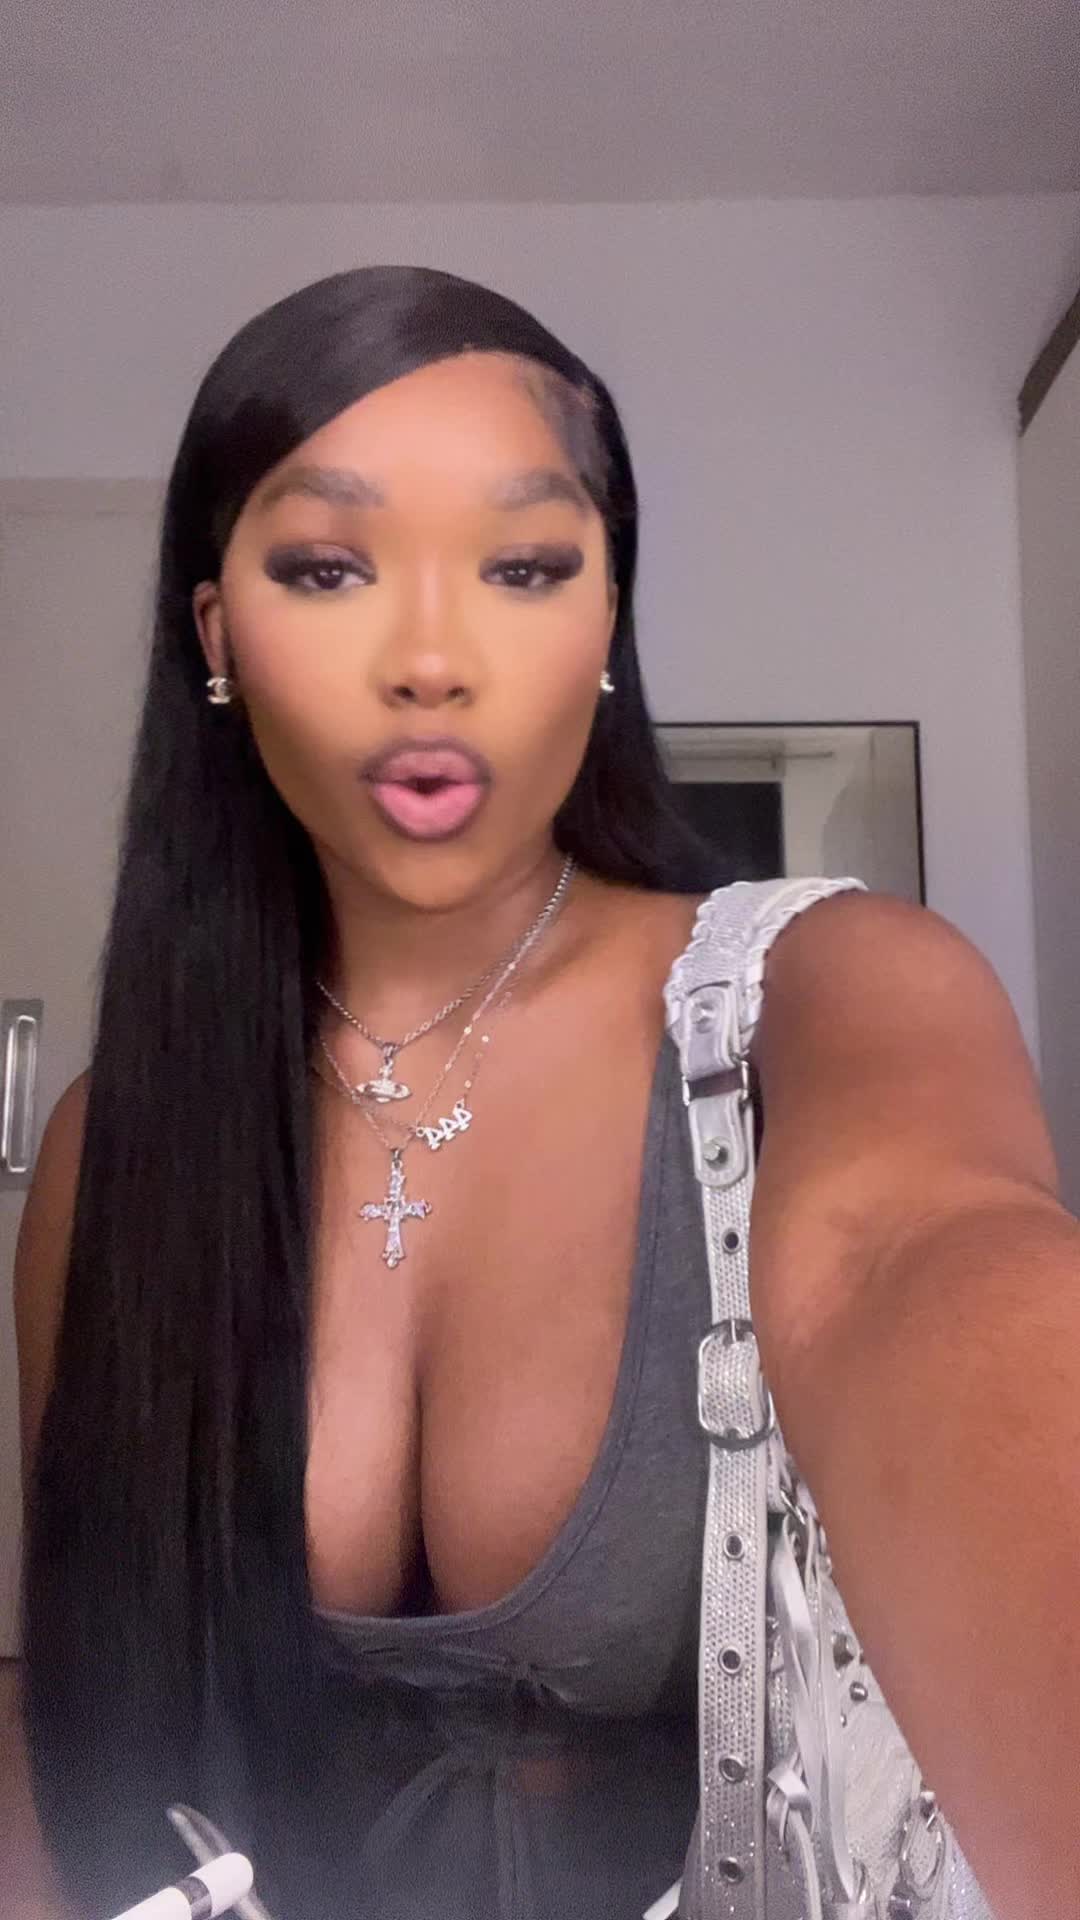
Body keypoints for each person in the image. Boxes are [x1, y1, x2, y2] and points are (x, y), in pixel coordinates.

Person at [9, 265, 1078, 1920]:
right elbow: (80, 1718)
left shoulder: (827, 994)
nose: (432, 661)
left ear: (605, 624)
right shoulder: (118, 1142)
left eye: (523, 567)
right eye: (329, 568)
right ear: (218, 637)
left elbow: (922, 1262)